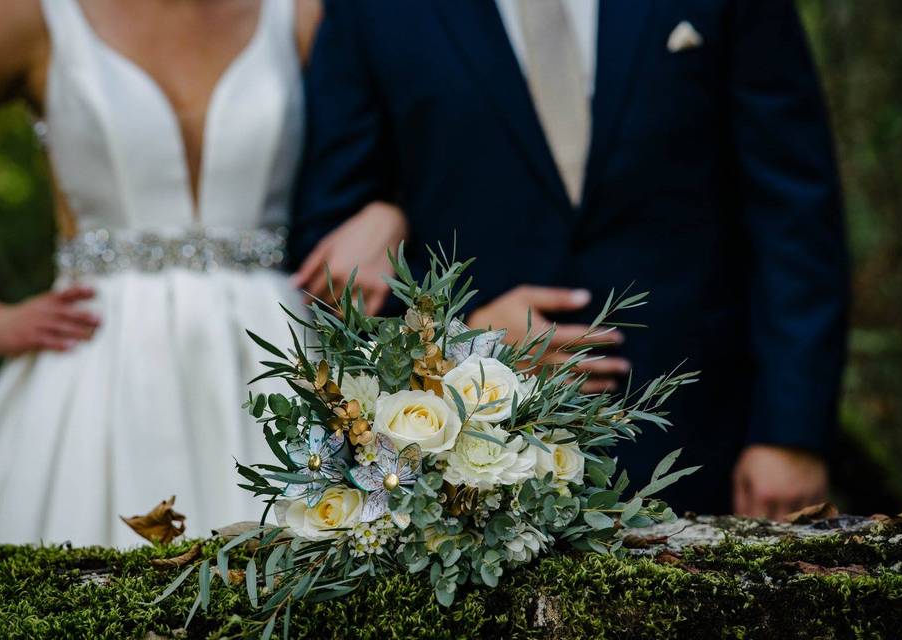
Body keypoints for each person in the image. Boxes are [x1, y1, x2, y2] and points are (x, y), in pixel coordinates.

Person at [292, 0, 850, 517]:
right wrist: (466, 342)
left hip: (705, 444)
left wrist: (790, 432)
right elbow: (332, 263)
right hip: (472, 490)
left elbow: (793, 208)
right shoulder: (368, 9)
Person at [0, 0, 406, 565]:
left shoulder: (300, 14)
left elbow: (411, 142)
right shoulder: (33, 16)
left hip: (278, 364)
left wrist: (392, 213)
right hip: (94, 368)